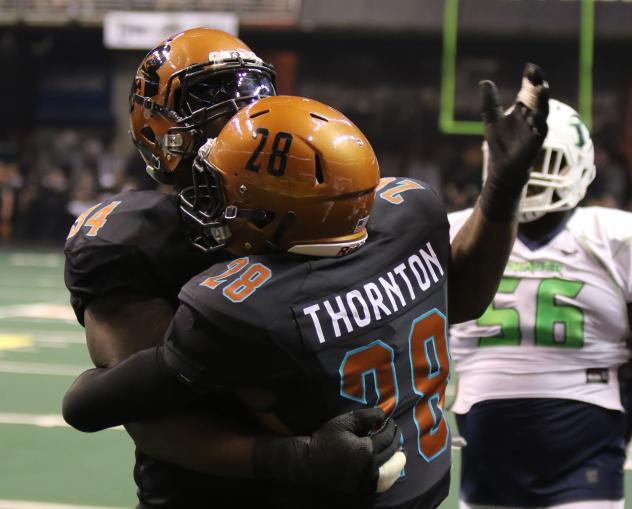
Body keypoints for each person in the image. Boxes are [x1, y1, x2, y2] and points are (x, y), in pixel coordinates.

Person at [63, 63, 549, 507]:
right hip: (423, 475)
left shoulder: (239, 303)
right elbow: (459, 297)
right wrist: (501, 193)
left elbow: (96, 404)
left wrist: (297, 458)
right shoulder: (407, 209)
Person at [64, 27, 403, 508]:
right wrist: (298, 458)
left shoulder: (315, 195)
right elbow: (150, 415)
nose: (238, 128)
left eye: (247, 110)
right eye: (214, 117)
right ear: (156, 131)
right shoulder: (132, 242)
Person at [448, 99, 631, 509]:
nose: (529, 174)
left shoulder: (612, 236)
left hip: (585, 449)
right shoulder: (455, 231)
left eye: (545, 160)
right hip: (485, 453)